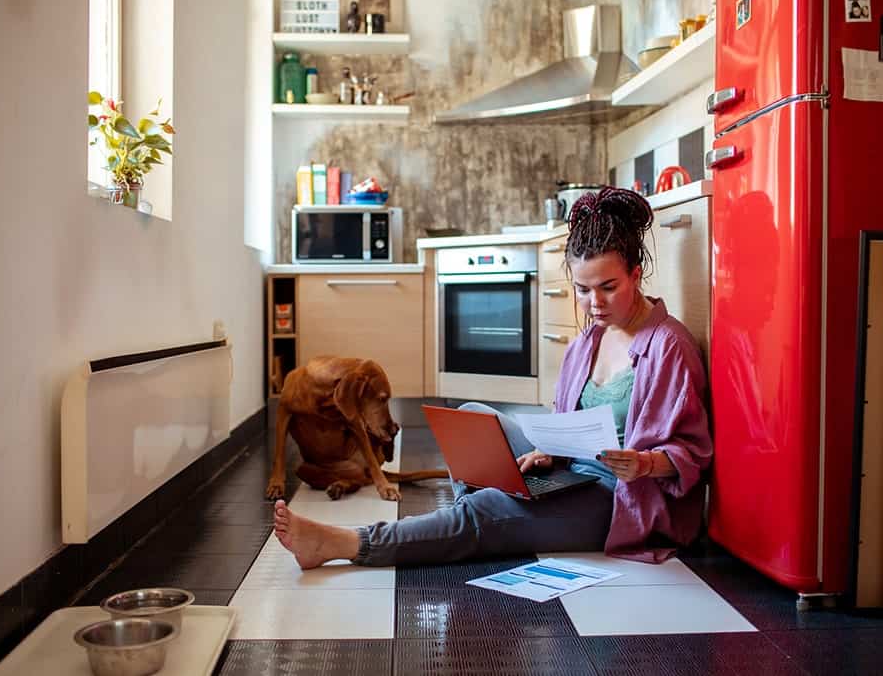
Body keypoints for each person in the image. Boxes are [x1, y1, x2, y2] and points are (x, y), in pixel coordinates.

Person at [273, 186, 713, 568]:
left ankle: (348, 542)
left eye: (608, 287)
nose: (593, 303)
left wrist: (644, 463)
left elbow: (693, 453)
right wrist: (546, 451)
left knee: (484, 510)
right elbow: (565, 423)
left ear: (635, 275)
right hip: (570, 468)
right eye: (582, 289)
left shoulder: (668, 345)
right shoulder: (588, 340)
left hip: (617, 494)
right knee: (473, 416)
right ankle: (495, 519)